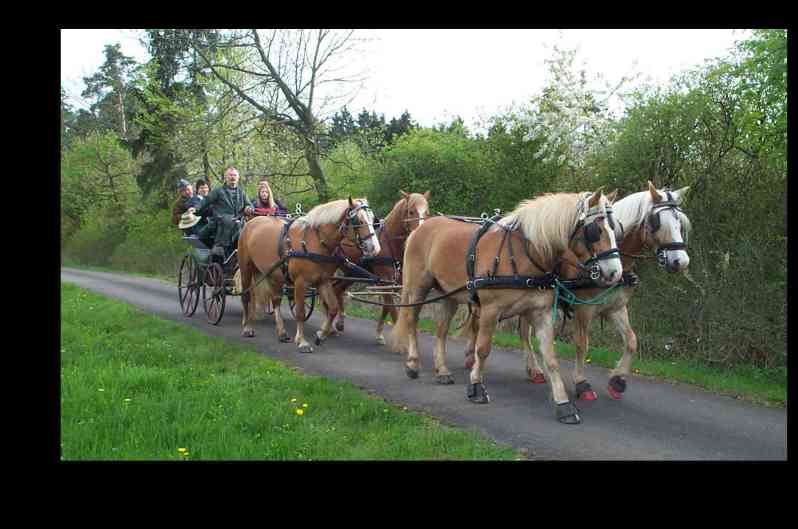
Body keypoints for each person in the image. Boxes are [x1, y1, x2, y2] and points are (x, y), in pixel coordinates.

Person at [196, 166, 253, 257]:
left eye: (234, 175)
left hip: (239, 224)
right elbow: (206, 200)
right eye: (230, 175)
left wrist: (249, 208)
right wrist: (195, 208)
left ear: (238, 178)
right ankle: (218, 250)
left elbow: (250, 205)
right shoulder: (218, 191)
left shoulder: (242, 192)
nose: (232, 177)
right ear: (226, 177)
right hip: (221, 223)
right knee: (229, 222)